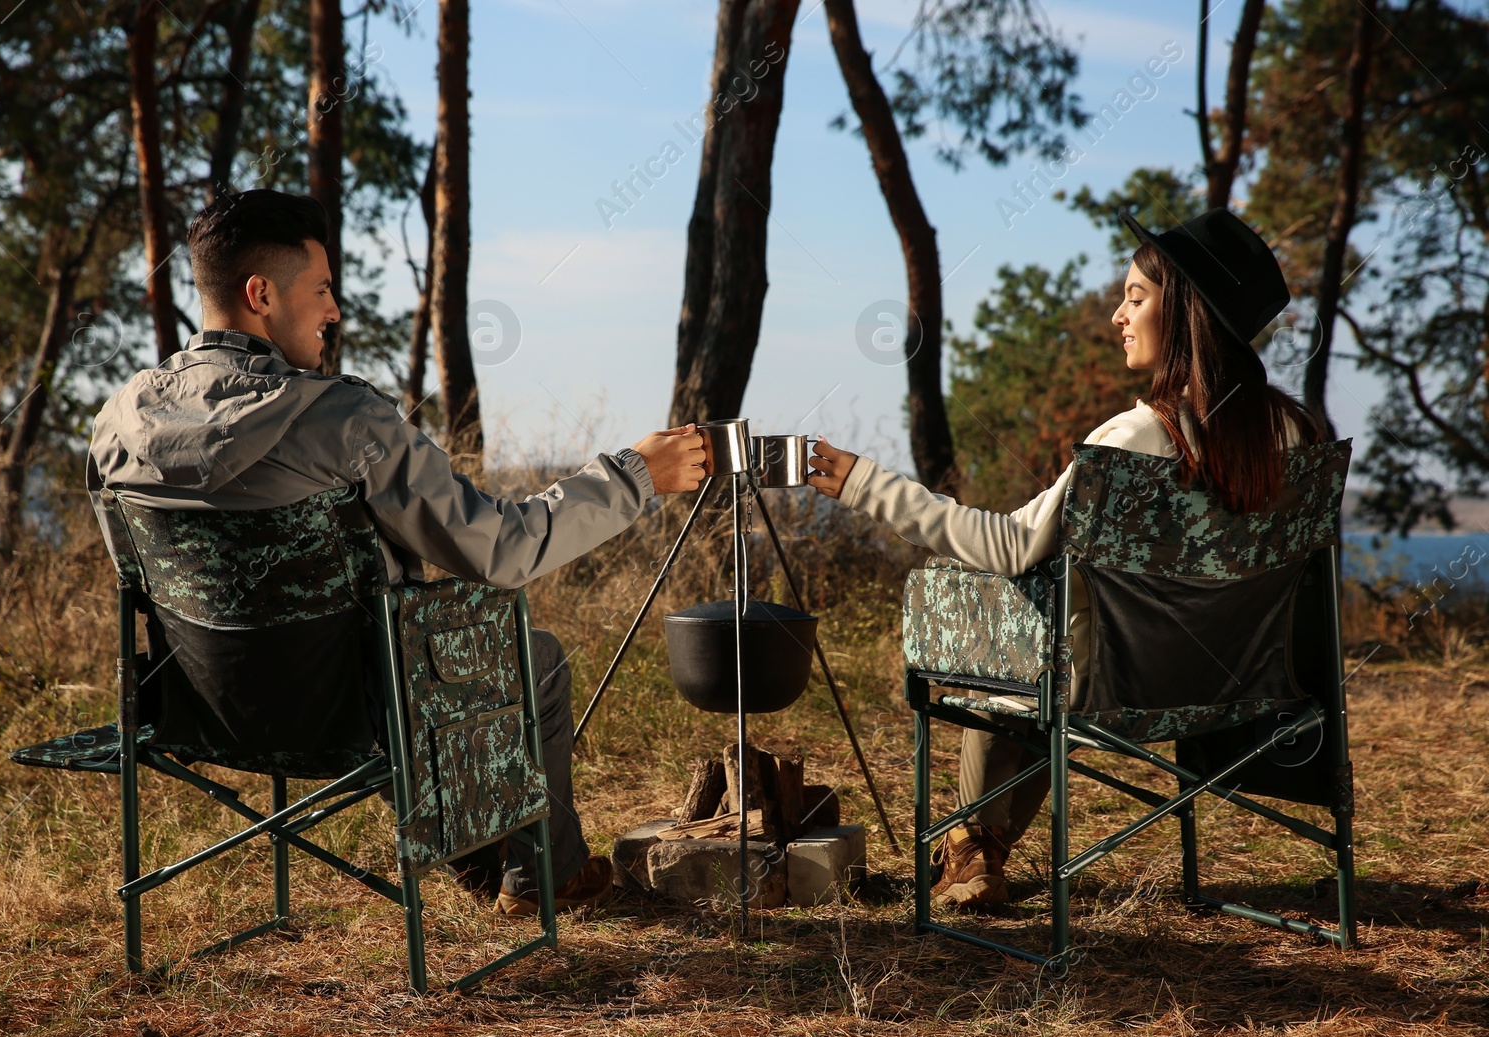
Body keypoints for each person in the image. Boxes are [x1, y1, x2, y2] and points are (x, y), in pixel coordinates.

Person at [88, 189, 706, 917]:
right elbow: (503, 550)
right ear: (260, 294)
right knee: (534, 658)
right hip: (354, 716)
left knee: (386, 659)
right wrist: (635, 475)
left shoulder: (120, 421)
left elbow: (142, 581)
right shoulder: (344, 420)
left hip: (197, 711)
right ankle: (544, 874)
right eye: (320, 289)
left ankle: (487, 861)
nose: (334, 311)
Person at [808, 208, 1320, 907]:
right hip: (1244, 693)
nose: (1118, 314)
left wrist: (864, 483)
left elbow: (1009, 544)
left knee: (1006, 612)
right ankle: (975, 850)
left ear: (1189, 315)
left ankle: (968, 848)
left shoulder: (1138, 433)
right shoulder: (1298, 434)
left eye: (1136, 297)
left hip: (1114, 695)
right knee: (1048, 638)